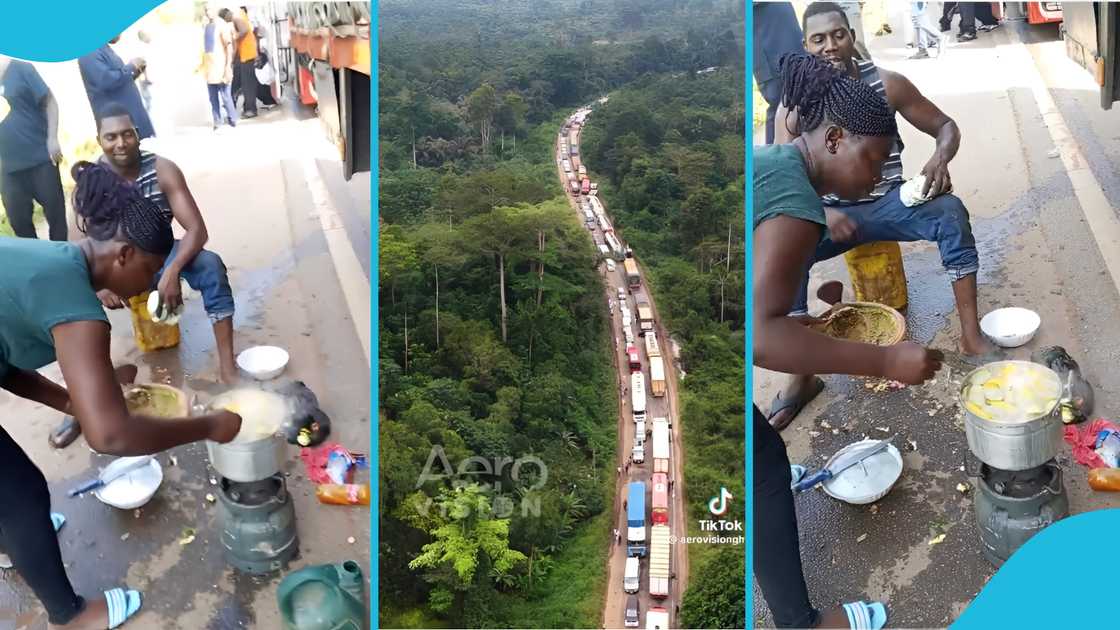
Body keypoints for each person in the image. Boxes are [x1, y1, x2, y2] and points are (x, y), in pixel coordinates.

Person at [0, 160, 242, 629]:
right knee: (22, 494)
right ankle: (70, 615)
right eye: (153, 270)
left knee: (9, 498)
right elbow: (110, 436)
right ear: (125, 255)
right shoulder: (79, 309)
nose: (153, 283)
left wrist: (72, 402)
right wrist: (210, 426)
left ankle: (13, 541)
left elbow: (5, 367)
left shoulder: (55, 260)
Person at [754, 52, 943, 630]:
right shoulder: (799, 208)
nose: (877, 177)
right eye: (875, 160)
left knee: (763, 457)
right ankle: (801, 623)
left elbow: (763, 312)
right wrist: (884, 360)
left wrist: (806, 325)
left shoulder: (777, 163)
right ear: (835, 139)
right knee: (761, 470)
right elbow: (761, 337)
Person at [768, 1, 988, 431]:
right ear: (806, 46)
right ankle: (802, 376)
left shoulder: (887, 84)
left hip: (888, 204)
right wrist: (822, 211)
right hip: (828, 215)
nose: (830, 46)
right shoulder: (794, 106)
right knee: (786, 250)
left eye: (838, 35)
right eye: (818, 39)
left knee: (949, 212)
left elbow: (946, 126)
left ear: (852, 36)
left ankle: (971, 334)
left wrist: (940, 159)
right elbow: (785, 181)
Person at [49, 105, 240, 448]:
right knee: (75, 314)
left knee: (210, 265)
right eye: (111, 136)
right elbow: (75, 246)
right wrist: (99, 288)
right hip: (115, 265)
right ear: (99, 141)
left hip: (159, 257)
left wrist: (172, 270)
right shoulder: (93, 179)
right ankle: (79, 404)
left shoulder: (163, 169)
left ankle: (227, 367)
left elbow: (196, 230)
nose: (120, 142)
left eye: (127, 134)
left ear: (138, 135)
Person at [0, 57, 67, 241]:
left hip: (40, 157)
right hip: (7, 167)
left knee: (56, 216)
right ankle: (37, 257)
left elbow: (50, 101)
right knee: (18, 221)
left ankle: (61, 255)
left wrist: (52, 137)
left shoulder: (21, 69)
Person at [78, 37, 155, 140]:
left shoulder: (103, 48)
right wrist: (132, 67)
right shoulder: (89, 52)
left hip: (134, 125)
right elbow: (106, 81)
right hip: (121, 131)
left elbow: (120, 83)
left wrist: (135, 71)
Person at [752, 3, 804, 145]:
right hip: (764, 35)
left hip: (784, 23)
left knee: (805, 86)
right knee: (780, 103)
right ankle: (775, 155)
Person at [205, 7, 238, 129]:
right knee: (212, 98)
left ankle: (232, 119)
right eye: (206, 10)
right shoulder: (207, 26)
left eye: (210, 10)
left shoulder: (222, 26)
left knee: (225, 96)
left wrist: (228, 66)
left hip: (221, 66)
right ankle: (217, 121)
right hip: (210, 69)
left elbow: (229, 46)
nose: (208, 12)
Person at [226, 6, 259, 119]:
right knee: (244, 83)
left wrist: (235, 36)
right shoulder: (239, 14)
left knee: (247, 85)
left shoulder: (236, 17)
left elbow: (244, 30)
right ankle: (246, 108)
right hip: (245, 54)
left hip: (246, 55)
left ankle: (250, 110)